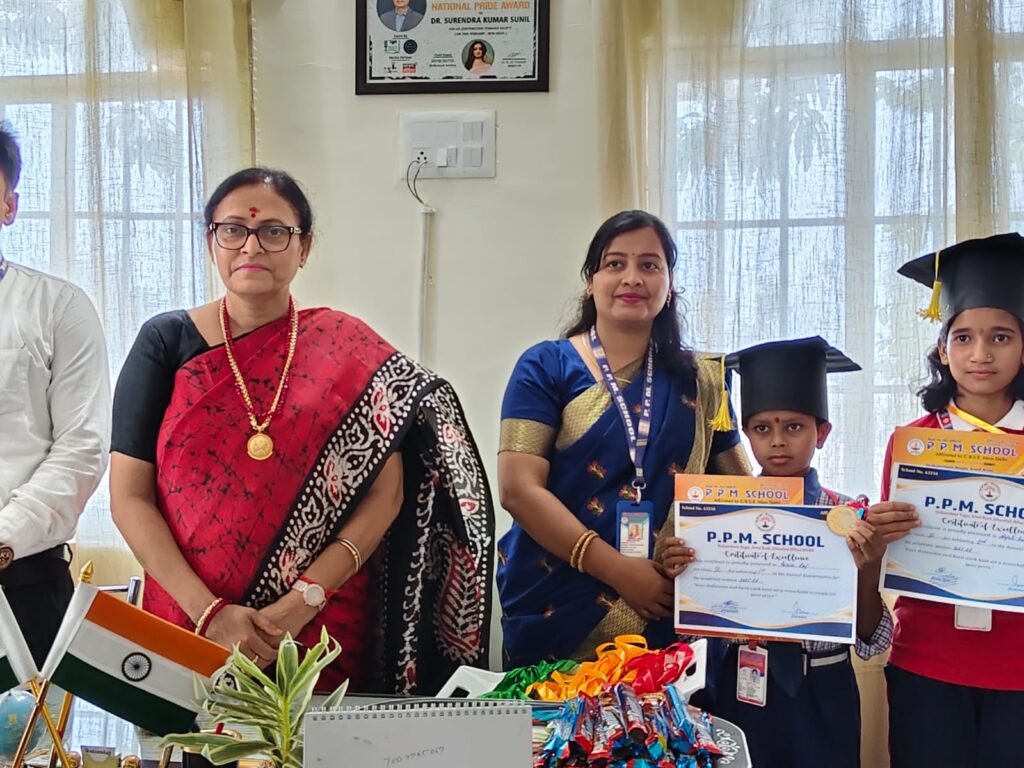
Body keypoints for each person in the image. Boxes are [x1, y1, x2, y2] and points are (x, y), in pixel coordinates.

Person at [110, 167, 493, 695]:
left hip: (318, 631)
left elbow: (386, 495)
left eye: (274, 231)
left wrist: (303, 600)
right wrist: (211, 613)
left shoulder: (347, 350)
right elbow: (129, 497)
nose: (252, 246)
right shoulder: (164, 343)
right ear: (211, 242)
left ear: (304, 247)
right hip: (190, 624)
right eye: (233, 230)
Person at [496, 209, 749, 669]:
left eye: (649, 265)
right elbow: (518, 489)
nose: (632, 277)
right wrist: (619, 571)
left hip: (666, 610)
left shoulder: (703, 381)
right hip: (556, 607)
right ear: (590, 282)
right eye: (615, 263)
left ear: (670, 286)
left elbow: (739, 496)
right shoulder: (546, 367)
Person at [663, 337, 900, 768]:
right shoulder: (716, 518)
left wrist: (868, 572)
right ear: (746, 434)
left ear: (821, 433)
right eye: (761, 429)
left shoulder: (847, 516)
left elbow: (873, 640)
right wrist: (683, 573)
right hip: (737, 685)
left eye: (793, 427)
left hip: (822, 690)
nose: (777, 442)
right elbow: (694, 626)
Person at [877, 233, 1024, 767]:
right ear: (943, 349)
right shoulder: (914, 442)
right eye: (963, 337)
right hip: (928, 664)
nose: (980, 354)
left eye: (1001, 337)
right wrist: (880, 531)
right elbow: (893, 554)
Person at [0, 122, 111, 665]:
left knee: (32, 723)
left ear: (9, 206)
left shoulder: (58, 307)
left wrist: (4, 537)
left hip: (23, 582)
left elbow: (82, 448)